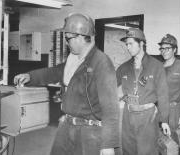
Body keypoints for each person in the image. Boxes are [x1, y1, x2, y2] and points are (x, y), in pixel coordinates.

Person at [13, 13, 119, 155]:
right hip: (68, 124)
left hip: (91, 130)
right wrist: (30, 76)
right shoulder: (75, 58)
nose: (66, 42)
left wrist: (108, 145)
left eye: (68, 38)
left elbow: (111, 108)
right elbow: (55, 72)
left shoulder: (101, 62)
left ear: (81, 37)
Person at [116, 28, 170, 155]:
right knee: (129, 151)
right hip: (128, 116)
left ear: (141, 44)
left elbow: (163, 95)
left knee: (147, 151)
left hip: (148, 117)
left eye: (131, 44)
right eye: (126, 44)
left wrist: (165, 120)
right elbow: (113, 91)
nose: (128, 47)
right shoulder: (123, 68)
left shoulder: (156, 66)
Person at [158, 34, 180, 131]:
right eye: (162, 48)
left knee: (174, 142)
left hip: (175, 111)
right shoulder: (158, 67)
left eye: (167, 48)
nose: (164, 51)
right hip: (159, 109)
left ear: (175, 50)